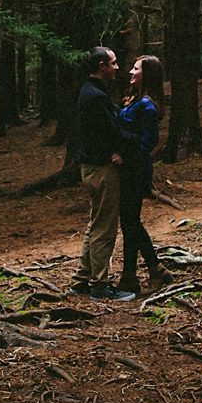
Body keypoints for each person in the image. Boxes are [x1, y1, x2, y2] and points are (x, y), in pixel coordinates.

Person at [70, 46, 127, 299]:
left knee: (95, 224)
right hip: (102, 169)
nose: (117, 68)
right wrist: (134, 142)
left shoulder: (91, 91)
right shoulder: (95, 96)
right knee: (104, 227)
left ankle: (82, 279)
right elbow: (112, 130)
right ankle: (100, 285)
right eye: (113, 63)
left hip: (92, 167)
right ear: (102, 65)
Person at [116, 55, 173, 296]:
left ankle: (156, 268)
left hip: (135, 170)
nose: (130, 71)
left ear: (146, 74)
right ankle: (129, 276)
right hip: (128, 169)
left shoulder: (147, 105)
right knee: (129, 222)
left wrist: (127, 158)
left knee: (130, 221)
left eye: (136, 68)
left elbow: (150, 140)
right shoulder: (134, 99)